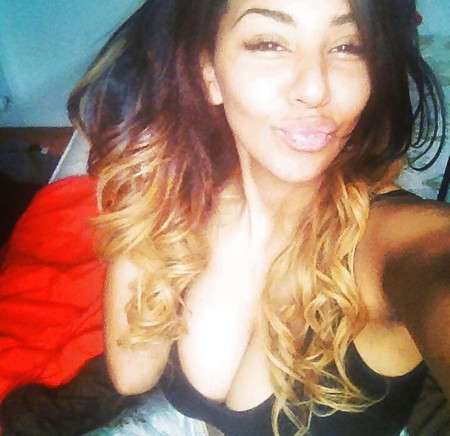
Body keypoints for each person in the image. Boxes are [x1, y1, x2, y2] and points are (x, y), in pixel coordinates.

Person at [67, 0, 450, 434]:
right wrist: (154, 183)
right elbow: (133, 373)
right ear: (210, 74)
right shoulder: (185, 203)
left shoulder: (395, 240)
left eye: (348, 46)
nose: (315, 88)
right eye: (269, 44)